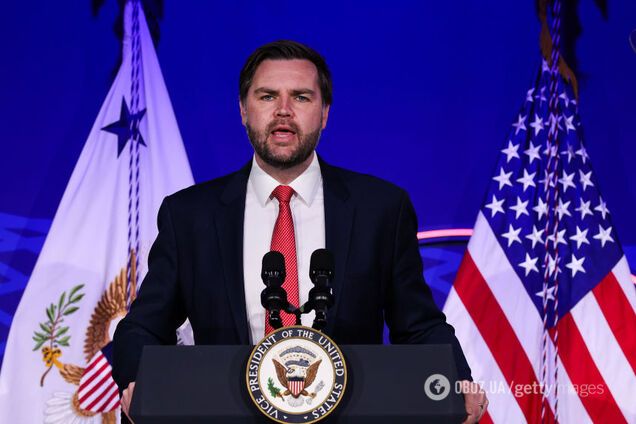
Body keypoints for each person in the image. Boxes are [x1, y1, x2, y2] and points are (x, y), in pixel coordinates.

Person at [113, 40, 488, 423]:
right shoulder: (190, 215)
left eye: (301, 97)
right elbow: (143, 327)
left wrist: (456, 384)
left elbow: (419, 326)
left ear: (324, 114)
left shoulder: (381, 210)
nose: (283, 110)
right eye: (267, 96)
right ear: (243, 110)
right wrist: (141, 384)